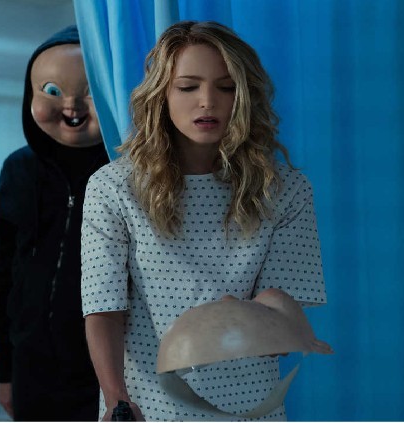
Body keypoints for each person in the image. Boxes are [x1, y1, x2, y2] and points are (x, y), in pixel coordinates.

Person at [80, 21, 327, 421]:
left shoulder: (286, 190)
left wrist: (265, 320)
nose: (208, 101)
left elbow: (281, 329)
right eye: (188, 87)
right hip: (149, 407)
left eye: (226, 87)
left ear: (245, 96)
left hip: (251, 407)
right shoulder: (113, 188)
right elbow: (103, 307)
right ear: (161, 94)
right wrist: (117, 400)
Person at [0, 25, 108, 421]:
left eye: (89, 92)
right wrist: (6, 371)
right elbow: (1, 271)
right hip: (30, 366)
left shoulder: (127, 175)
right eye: (53, 91)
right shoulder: (18, 169)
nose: (71, 105)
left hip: (105, 371)